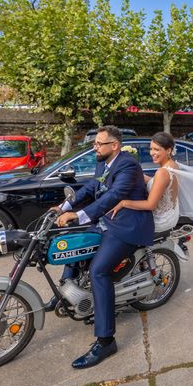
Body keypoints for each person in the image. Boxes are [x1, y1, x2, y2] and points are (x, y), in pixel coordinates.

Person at [51, 125, 155, 369]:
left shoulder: (128, 165)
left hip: (127, 225)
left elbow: (114, 196)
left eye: (99, 144)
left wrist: (80, 215)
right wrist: (64, 207)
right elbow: (90, 188)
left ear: (114, 146)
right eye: (95, 144)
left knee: (99, 271)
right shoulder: (103, 163)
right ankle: (66, 292)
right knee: (73, 242)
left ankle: (106, 340)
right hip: (106, 220)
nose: (94, 147)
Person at [109, 132, 179, 233]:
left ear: (168, 150)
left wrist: (123, 203)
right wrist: (137, 173)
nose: (152, 153)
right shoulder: (173, 165)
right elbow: (158, 183)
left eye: (157, 149)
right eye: (151, 149)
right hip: (171, 214)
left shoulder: (162, 172)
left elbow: (150, 205)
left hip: (161, 219)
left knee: (118, 222)